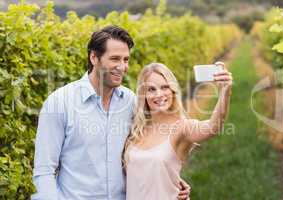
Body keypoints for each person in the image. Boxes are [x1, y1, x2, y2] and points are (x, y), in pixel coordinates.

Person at [31, 25, 190, 200]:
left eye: (126, 59)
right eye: (115, 59)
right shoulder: (60, 103)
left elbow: (149, 150)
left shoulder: (131, 102)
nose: (122, 67)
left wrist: (168, 177)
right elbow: (44, 170)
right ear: (94, 57)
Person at [123, 62, 232, 200]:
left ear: (172, 90)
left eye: (164, 87)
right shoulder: (137, 128)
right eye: (151, 89)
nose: (159, 94)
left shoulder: (181, 127)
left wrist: (225, 92)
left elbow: (213, 127)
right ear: (143, 94)